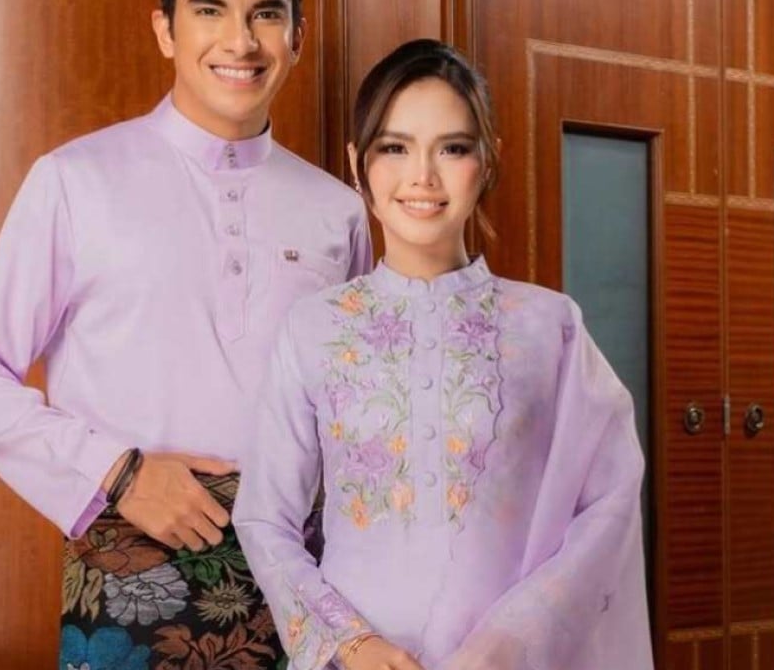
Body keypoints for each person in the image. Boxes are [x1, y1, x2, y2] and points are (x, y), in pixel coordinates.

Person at [0, 0, 372, 666]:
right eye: (210, 10)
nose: (240, 41)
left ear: (298, 36)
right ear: (166, 30)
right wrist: (120, 472)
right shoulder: (75, 181)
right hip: (134, 568)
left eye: (266, 13)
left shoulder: (337, 211)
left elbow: (358, 410)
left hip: (306, 575)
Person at [233, 39, 653, 670]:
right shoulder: (313, 328)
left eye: (452, 148)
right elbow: (265, 519)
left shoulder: (548, 326)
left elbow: (607, 504)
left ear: (488, 161)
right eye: (394, 148)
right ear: (357, 163)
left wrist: (505, 645)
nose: (422, 177)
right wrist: (352, 644)